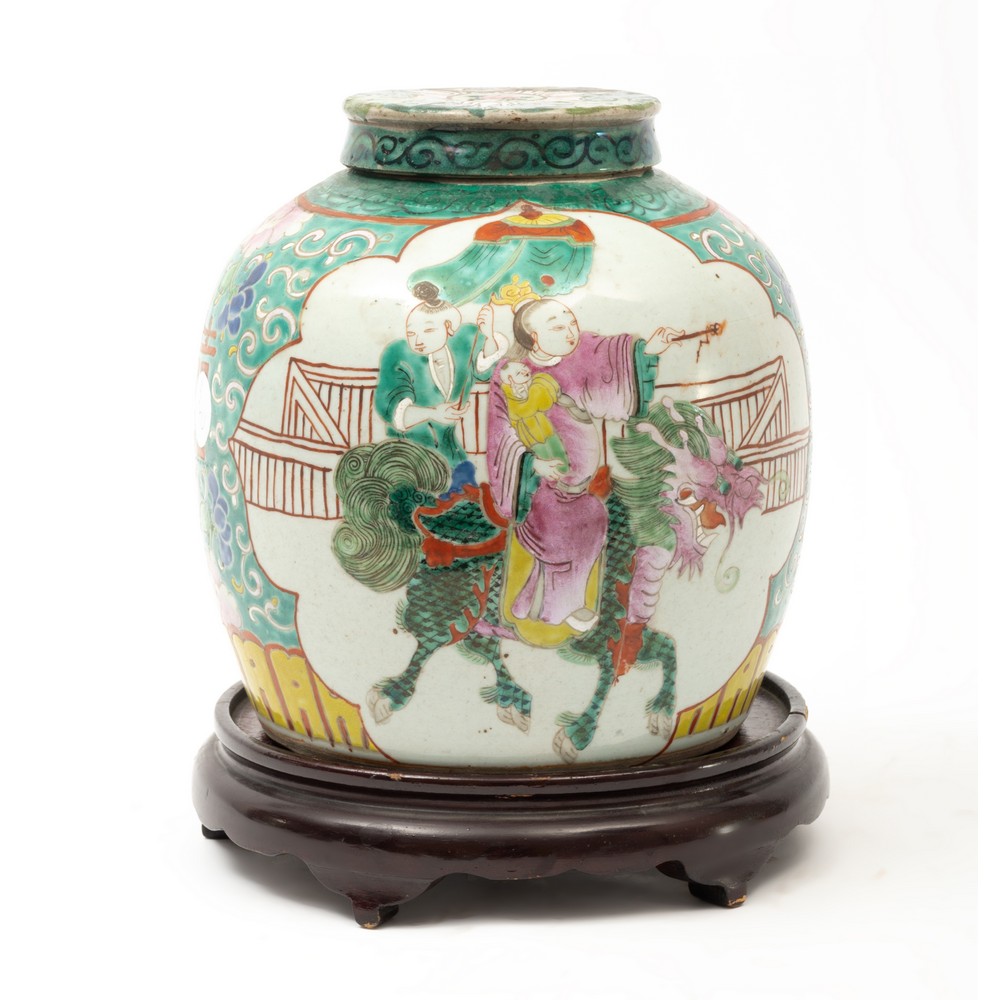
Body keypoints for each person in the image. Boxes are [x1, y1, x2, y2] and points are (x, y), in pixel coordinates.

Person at [487, 297, 680, 635]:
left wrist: (650, 349)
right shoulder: (511, 375)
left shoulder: (584, 352)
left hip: (579, 487)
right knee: (567, 530)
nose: (570, 332)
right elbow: (500, 432)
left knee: (592, 517)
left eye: (571, 322)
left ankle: (535, 603)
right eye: (557, 327)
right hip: (540, 487)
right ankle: (559, 610)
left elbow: (615, 364)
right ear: (533, 337)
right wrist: (533, 464)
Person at [375, 282, 507, 495]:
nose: (418, 340)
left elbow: (484, 370)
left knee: (464, 497)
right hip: (406, 454)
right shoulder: (399, 353)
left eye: (428, 330)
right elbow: (390, 407)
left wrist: (489, 335)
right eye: (411, 333)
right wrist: (433, 413)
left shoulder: (464, 344)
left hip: (449, 450)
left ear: (448, 328)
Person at [497, 361, 569, 474]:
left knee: (558, 450)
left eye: (524, 367)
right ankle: (555, 479)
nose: (524, 371)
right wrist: (525, 397)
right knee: (544, 456)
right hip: (530, 436)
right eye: (518, 373)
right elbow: (522, 411)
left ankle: (566, 475)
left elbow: (543, 404)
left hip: (546, 428)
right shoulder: (509, 395)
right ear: (510, 380)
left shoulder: (533, 383)